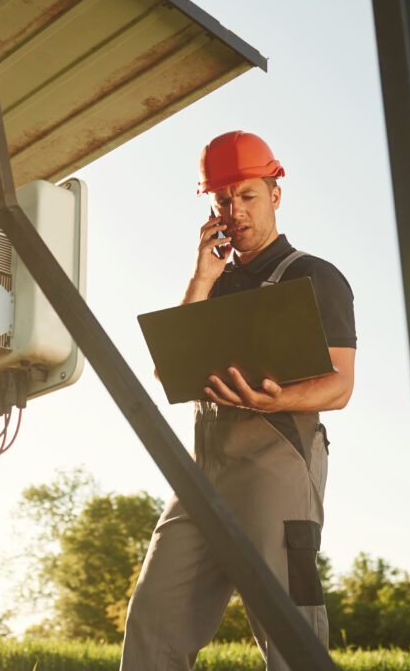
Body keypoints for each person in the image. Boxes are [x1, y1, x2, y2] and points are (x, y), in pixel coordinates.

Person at [120, 131, 356, 670]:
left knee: (289, 630)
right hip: (203, 474)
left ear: (276, 193)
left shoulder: (313, 276)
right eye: (222, 199)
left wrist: (274, 401)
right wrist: (202, 277)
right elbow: (167, 370)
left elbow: (340, 385)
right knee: (153, 622)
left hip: (276, 467)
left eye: (247, 195)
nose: (235, 210)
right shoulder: (216, 284)